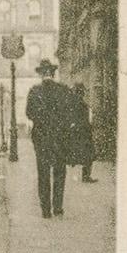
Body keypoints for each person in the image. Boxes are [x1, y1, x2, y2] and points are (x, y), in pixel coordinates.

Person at [24, 58, 83, 217]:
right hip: (60, 137)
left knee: (43, 173)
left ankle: (45, 211)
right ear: (53, 73)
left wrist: (41, 119)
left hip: (42, 138)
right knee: (59, 172)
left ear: (41, 74)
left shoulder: (34, 91)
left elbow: (29, 113)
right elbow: (72, 112)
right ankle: (57, 207)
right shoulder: (63, 90)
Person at [74, 97, 97, 183]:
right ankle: (86, 176)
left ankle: (86, 176)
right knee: (88, 155)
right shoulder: (82, 106)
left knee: (87, 155)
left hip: (85, 134)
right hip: (85, 134)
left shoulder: (81, 105)